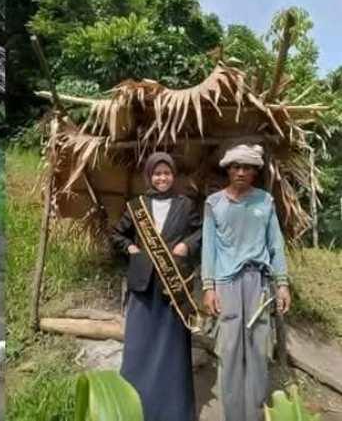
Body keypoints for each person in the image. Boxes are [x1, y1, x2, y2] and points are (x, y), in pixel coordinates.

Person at [201, 144, 291, 421]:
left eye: (247, 168)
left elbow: (275, 244)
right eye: (236, 167)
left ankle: (255, 415)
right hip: (226, 284)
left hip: (259, 284)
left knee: (257, 349)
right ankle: (233, 416)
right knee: (228, 351)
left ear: (254, 172)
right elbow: (209, 248)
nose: (241, 172)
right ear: (228, 170)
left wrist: (283, 283)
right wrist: (209, 287)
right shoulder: (214, 203)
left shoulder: (264, 202)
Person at [110, 152, 202, 421]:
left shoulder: (185, 205)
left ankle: (173, 408)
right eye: (157, 173)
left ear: (174, 176)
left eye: (167, 173)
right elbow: (117, 233)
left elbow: (200, 231)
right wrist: (131, 247)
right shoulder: (136, 206)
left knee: (173, 345)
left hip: (173, 286)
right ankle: (133, 404)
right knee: (140, 343)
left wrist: (188, 245)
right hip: (143, 284)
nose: (162, 178)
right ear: (149, 176)